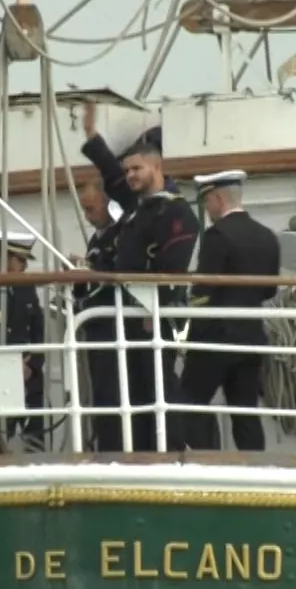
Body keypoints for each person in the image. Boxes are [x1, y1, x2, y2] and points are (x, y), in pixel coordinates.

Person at [179, 170, 280, 451]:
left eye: (207, 202)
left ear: (218, 198)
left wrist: (186, 331)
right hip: (250, 339)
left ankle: (206, 463)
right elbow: (269, 291)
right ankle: (255, 469)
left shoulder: (217, 236)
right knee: (245, 414)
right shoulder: (267, 236)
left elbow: (201, 294)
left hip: (214, 340)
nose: (207, 209)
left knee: (188, 405)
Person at [113, 137, 199, 451]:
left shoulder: (174, 211)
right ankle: (145, 450)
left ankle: (171, 449)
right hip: (131, 311)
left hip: (156, 313)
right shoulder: (138, 213)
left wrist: (156, 308)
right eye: (127, 171)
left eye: (137, 168)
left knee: (160, 383)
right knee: (138, 387)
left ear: (157, 166)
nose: (130, 175)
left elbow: (174, 267)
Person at [75, 177, 128, 451]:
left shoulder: (120, 236)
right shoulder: (98, 238)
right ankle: (106, 445)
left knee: (112, 393)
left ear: (108, 204)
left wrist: (89, 272)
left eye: (91, 209)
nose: (87, 216)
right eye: (84, 209)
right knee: (101, 393)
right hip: (97, 327)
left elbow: (117, 276)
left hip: (114, 328)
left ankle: (114, 449)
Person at [0, 230, 46, 447]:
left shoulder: (25, 287)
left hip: (29, 376)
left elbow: (38, 330)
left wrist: (32, 365)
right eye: (20, 260)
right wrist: (9, 365)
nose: (24, 266)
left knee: (36, 439)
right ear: (5, 257)